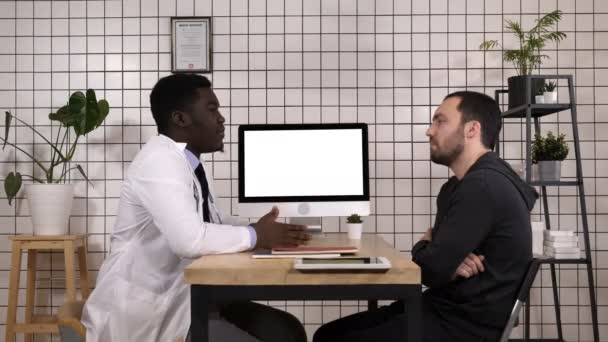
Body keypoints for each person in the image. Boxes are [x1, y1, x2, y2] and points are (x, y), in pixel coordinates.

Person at [82, 74, 310, 342]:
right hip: (147, 315)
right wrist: (256, 235)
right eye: (212, 109)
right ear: (180, 119)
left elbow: (213, 220)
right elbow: (189, 240)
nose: (222, 118)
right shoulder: (159, 162)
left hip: (186, 302)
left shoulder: (188, 163)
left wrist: (263, 229)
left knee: (286, 331)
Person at [313, 91, 538, 342]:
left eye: (440, 121)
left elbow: (429, 269)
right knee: (328, 333)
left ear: (472, 129)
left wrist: (426, 247)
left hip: (463, 326)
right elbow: (437, 266)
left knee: (330, 339)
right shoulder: (457, 187)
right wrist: (442, 260)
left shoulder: (483, 185)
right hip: (443, 307)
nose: (429, 131)